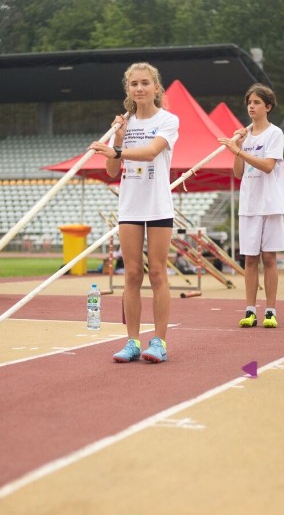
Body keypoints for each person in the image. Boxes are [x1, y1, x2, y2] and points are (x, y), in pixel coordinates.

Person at [89, 62, 178, 363]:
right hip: (130, 205)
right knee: (132, 274)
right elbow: (113, 171)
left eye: (145, 83)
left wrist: (117, 151)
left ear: (156, 87)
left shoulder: (168, 120)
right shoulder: (122, 125)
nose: (139, 88)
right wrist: (117, 139)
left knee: (156, 272)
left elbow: (152, 152)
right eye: (134, 84)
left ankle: (160, 342)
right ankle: (132, 341)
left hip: (158, 206)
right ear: (128, 90)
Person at [218, 83, 284, 328]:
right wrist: (237, 149)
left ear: (268, 107)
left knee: (269, 257)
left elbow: (268, 166)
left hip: (270, 203)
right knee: (249, 259)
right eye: (249, 102)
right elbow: (238, 173)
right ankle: (249, 310)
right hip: (249, 204)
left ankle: (270, 311)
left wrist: (239, 149)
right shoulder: (244, 136)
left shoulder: (275, 134)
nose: (251, 106)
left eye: (257, 102)